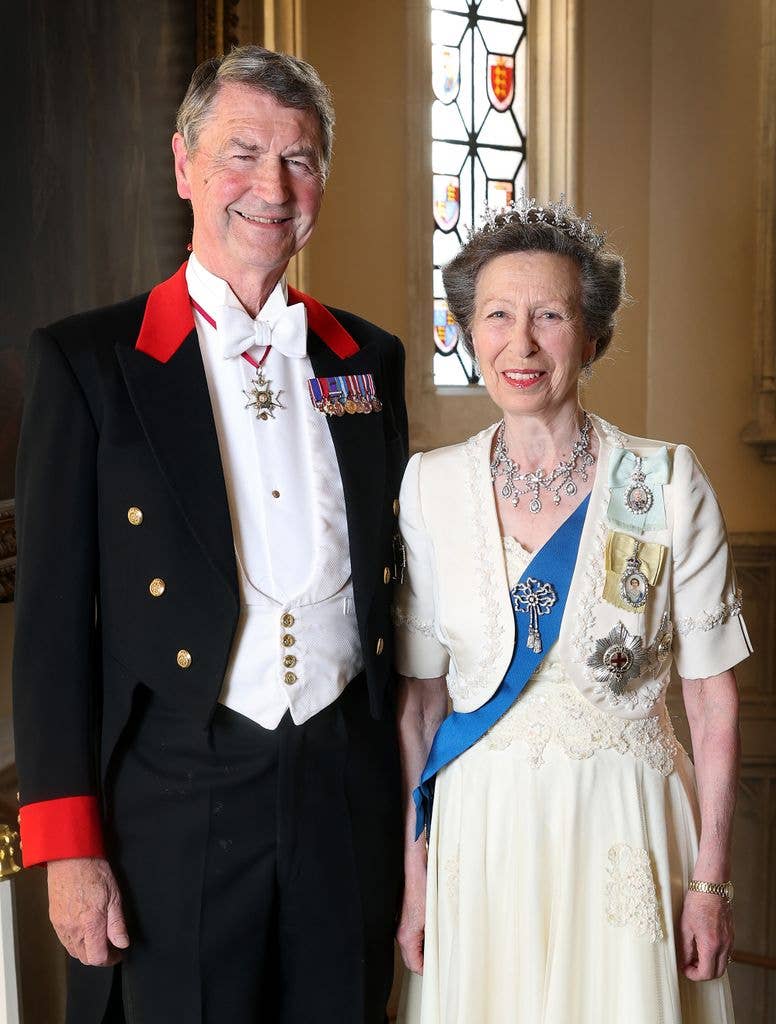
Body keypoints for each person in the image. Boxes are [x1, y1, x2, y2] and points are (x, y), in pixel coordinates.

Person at [13, 46, 407, 1024]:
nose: (272, 188)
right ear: (182, 165)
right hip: (173, 796)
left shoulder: (371, 361)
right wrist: (68, 847)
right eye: (242, 153)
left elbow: (404, 593)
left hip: (341, 790)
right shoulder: (88, 363)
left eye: (301, 159)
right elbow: (54, 627)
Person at [393, 194, 749, 1023]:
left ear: (591, 337)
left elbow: (711, 698)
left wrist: (710, 880)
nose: (521, 343)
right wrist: (415, 878)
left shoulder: (662, 482)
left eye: (549, 315)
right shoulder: (429, 486)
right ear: (468, 331)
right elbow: (419, 703)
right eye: (497, 316)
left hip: (624, 826)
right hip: (481, 838)